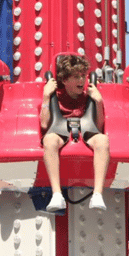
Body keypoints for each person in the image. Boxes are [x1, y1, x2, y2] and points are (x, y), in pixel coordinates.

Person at [40, 54, 110, 212]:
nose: (82, 80)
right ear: (64, 80)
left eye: (83, 76)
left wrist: (98, 102)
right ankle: (57, 194)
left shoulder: (88, 97)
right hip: (59, 130)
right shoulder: (55, 97)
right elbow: (44, 124)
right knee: (49, 140)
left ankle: (98, 193)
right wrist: (46, 97)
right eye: (76, 77)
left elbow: (97, 126)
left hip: (86, 130)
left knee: (103, 141)